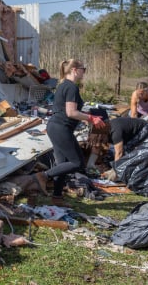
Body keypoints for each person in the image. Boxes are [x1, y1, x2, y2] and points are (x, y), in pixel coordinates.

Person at [32, 59, 106, 206]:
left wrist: (85, 116)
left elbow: (68, 111)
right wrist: (91, 118)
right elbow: (71, 112)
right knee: (77, 162)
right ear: (74, 70)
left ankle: (57, 197)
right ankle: (43, 176)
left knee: (63, 163)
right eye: (83, 69)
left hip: (57, 126)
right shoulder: (71, 87)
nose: (84, 72)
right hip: (61, 128)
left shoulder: (62, 85)